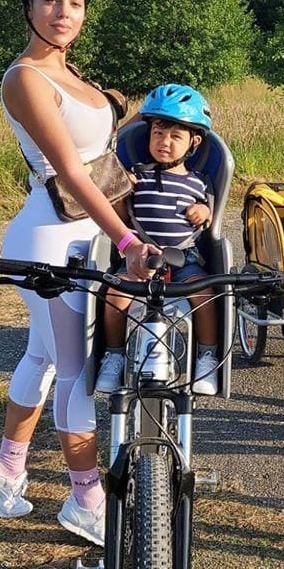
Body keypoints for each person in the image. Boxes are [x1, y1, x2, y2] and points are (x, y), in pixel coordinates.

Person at [0, 0, 159, 546]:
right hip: (52, 236)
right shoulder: (25, 78)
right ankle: (85, 500)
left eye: (75, 1)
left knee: (43, 357)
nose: (64, 11)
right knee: (74, 369)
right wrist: (127, 238)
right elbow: (72, 172)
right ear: (29, 2)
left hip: (88, 229)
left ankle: (4, 469)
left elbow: (102, 158)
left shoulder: (73, 73)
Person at [94, 83, 221, 397]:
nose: (164, 142)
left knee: (204, 295)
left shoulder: (198, 182)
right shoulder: (137, 176)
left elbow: (210, 218)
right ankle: (114, 355)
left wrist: (204, 211)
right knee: (115, 296)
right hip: (140, 259)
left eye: (175, 136)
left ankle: (207, 355)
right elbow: (122, 218)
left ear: (194, 142)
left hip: (184, 259)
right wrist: (122, 191)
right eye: (157, 134)